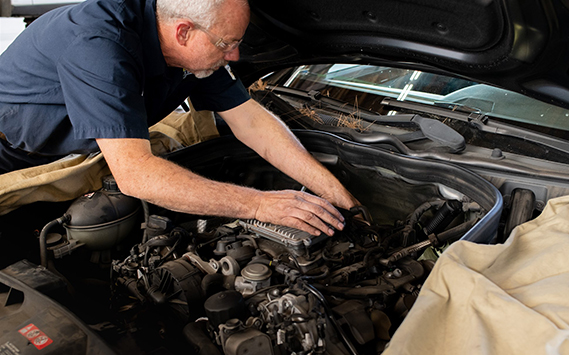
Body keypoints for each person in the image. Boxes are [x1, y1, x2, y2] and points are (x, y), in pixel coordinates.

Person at [0, 0, 359, 236]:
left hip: (86, 154)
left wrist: (342, 197)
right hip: (15, 159)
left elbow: (250, 120)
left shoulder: (197, 49)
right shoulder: (98, 44)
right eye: (226, 44)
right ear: (183, 31)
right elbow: (136, 175)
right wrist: (262, 204)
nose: (234, 56)